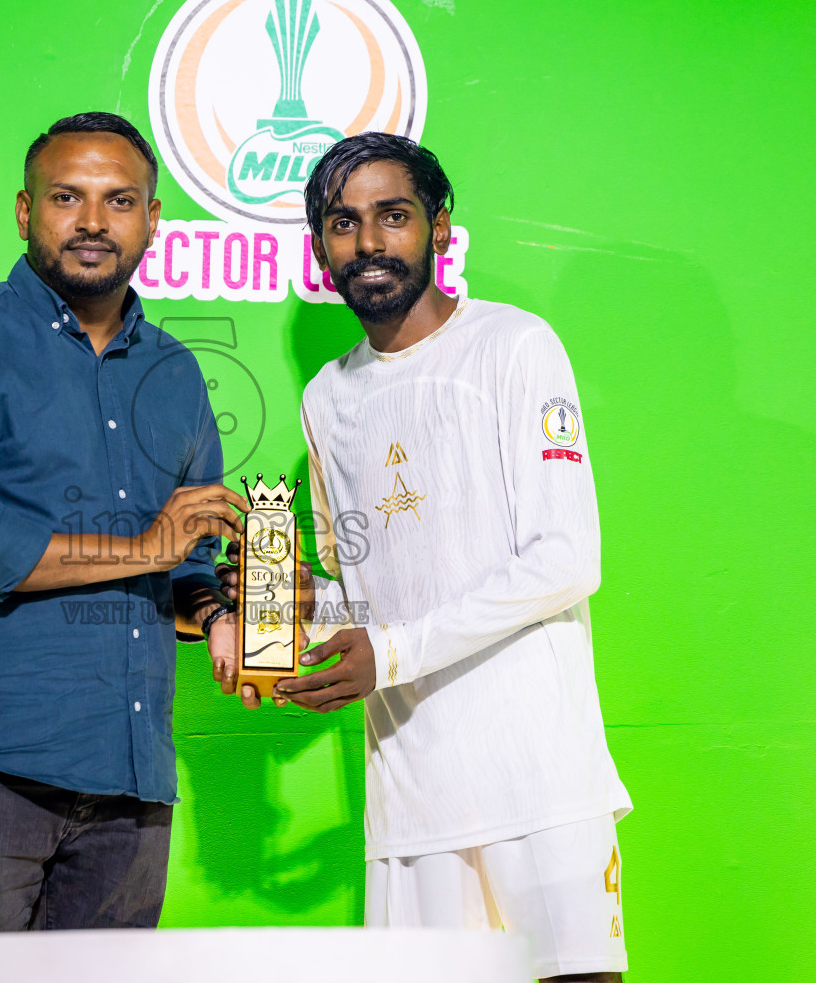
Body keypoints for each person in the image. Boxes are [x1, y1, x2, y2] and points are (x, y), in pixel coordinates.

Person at [238, 132, 632, 981]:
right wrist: (271, 610)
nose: (370, 243)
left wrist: (391, 653)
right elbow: (359, 589)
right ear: (320, 250)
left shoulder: (515, 346)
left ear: (440, 228)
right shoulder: (325, 397)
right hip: (411, 798)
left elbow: (567, 558)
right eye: (344, 224)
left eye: (394, 216)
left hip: (540, 780)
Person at [0, 111, 246, 983]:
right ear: (23, 213)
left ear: (152, 221)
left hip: (131, 781)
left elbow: (185, 561)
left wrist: (221, 614)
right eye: (66, 198)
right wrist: (153, 545)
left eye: (119, 201)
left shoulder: (176, 375)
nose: (92, 222)